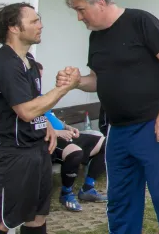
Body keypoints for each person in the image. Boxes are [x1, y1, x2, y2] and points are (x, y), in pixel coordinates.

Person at [56, 0, 159, 234]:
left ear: (101, 3)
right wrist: (76, 82)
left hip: (154, 126)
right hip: (118, 132)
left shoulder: (140, 21)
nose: (78, 17)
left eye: (80, 9)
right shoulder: (96, 38)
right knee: (121, 201)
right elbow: (97, 79)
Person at [0, 3, 79, 234]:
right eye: (34, 21)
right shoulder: (5, 63)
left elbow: (33, 103)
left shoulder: (27, 60)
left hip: (37, 152)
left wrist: (45, 123)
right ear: (13, 28)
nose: (41, 25)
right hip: (11, 156)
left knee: (37, 217)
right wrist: (63, 88)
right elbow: (26, 111)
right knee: (0, 223)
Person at [36, 62, 107, 212]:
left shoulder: (42, 97)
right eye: (36, 77)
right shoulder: (28, 100)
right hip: (49, 140)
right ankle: (66, 193)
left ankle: (88, 188)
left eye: (40, 77)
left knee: (106, 143)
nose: (38, 81)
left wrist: (67, 127)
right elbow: (35, 123)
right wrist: (57, 132)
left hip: (64, 133)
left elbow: (52, 118)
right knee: (75, 152)